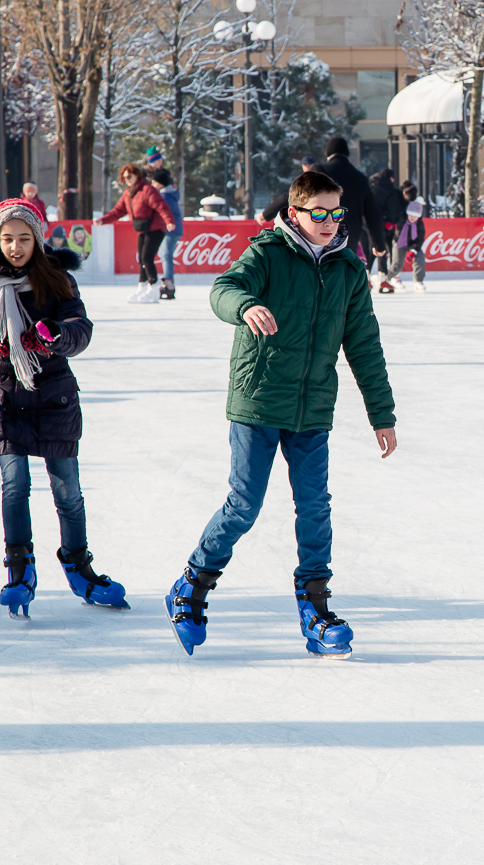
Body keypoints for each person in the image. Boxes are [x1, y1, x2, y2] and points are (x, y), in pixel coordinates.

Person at [164, 170, 397, 658]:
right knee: (244, 504)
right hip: (258, 401)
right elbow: (223, 288)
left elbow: (365, 348)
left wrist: (382, 414)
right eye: (320, 213)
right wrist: (245, 306)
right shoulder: (267, 253)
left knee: (315, 507)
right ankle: (192, 584)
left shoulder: (350, 272)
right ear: (295, 214)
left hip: (311, 408)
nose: (330, 221)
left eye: (337, 213)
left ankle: (315, 609)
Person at [0, 197, 126, 619]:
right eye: (7, 239)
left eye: (23, 239)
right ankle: (20, 570)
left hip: (52, 397)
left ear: (36, 240)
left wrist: (53, 335)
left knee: (67, 490)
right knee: (15, 484)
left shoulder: (58, 280)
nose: (15, 247)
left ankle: (78, 565)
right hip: (1, 398)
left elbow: (80, 328)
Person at [97, 163, 177, 304]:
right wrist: (103, 220)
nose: (127, 179)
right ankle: (142, 287)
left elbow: (161, 206)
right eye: (124, 177)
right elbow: (118, 211)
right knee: (141, 258)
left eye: (129, 176)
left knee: (147, 258)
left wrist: (169, 220)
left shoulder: (147, 190)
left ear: (137, 175)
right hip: (143, 228)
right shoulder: (129, 193)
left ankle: (153, 288)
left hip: (156, 228)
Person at [318, 137, 386, 263]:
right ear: (347, 154)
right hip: (349, 236)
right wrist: (379, 244)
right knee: (343, 274)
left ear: (328, 154)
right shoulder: (360, 178)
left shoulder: (319, 171)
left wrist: (272, 211)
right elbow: (372, 213)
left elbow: (299, 196)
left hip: (321, 230)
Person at [368, 167, 406, 293]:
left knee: (371, 250)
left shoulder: (371, 186)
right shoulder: (390, 190)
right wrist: (393, 220)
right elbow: (394, 209)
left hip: (367, 222)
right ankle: (383, 280)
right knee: (382, 250)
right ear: (391, 178)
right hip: (384, 224)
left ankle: (366, 278)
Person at [256, 156, 321, 225]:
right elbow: (288, 197)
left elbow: (287, 198)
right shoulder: (300, 180)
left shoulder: (319, 178)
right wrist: (267, 213)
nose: (307, 168)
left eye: (310, 165)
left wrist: (266, 213)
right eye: (305, 165)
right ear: (302, 166)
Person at [152, 168, 184, 301]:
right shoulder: (169, 194)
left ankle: (168, 283)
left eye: (154, 182)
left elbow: (163, 213)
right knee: (165, 254)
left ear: (160, 183)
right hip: (173, 229)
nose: (153, 185)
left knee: (166, 254)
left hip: (171, 229)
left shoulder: (164, 196)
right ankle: (168, 281)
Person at [399, 193, 428, 293]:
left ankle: (418, 281)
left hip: (412, 244)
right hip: (399, 242)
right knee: (397, 262)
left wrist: (413, 251)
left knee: (420, 255)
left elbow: (419, 240)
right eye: (411, 214)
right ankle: (388, 278)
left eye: (415, 216)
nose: (412, 217)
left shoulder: (420, 225)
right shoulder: (401, 221)